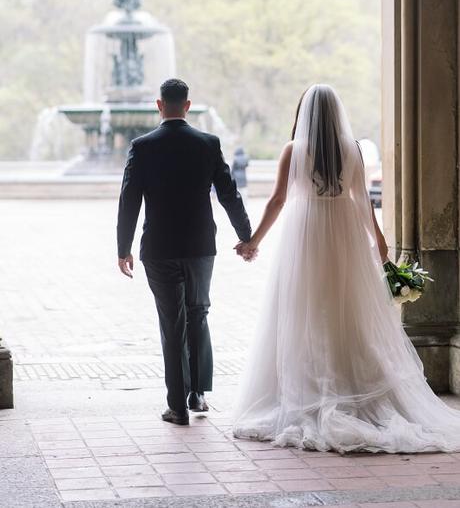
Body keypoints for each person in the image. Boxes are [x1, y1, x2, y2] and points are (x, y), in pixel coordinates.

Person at [233, 84, 460, 453]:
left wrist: (254, 240)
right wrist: (381, 243)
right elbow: (363, 201)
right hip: (345, 234)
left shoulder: (293, 151)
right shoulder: (352, 150)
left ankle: (311, 388)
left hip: (305, 237)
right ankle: (352, 386)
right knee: (348, 311)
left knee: (303, 311)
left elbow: (277, 200)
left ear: (305, 113)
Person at [117, 78, 251, 426]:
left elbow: (129, 200)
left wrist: (123, 248)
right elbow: (228, 194)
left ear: (159, 105)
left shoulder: (142, 146)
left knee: (171, 323)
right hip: (199, 246)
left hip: (158, 248)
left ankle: (176, 406)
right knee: (198, 313)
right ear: (187, 105)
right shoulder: (208, 143)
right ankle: (198, 395)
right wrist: (246, 235)